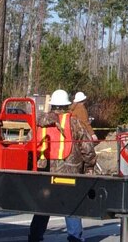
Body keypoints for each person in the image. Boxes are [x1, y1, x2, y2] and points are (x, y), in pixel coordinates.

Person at [29, 89, 97, 242]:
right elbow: (87, 148)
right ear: (66, 105)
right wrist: (89, 166)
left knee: (43, 205)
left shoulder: (40, 123)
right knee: (71, 206)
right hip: (69, 172)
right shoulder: (74, 123)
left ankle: (34, 237)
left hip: (44, 172)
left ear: (52, 105)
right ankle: (74, 238)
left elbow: (29, 145)